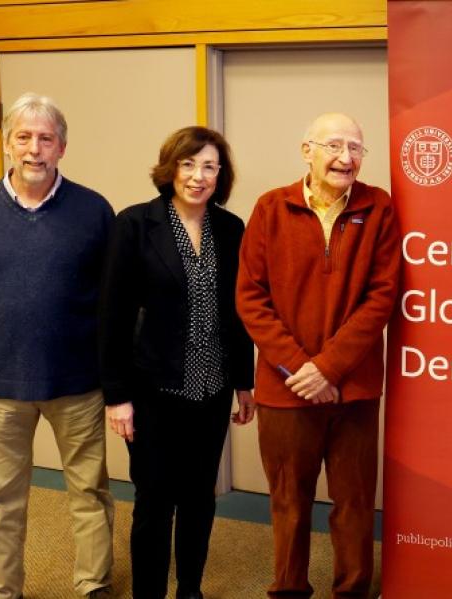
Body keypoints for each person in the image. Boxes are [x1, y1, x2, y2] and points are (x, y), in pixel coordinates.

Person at [0, 92, 115, 599]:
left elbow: (110, 292)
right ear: (7, 144)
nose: (34, 149)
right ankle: (0, 588)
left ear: (62, 147)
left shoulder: (94, 210)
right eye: (23, 137)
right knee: (0, 499)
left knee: (89, 492)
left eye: (46, 138)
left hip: (78, 382)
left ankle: (94, 583)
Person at [236, 112, 401, 598]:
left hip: (355, 390)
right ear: (306, 150)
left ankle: (352, 590)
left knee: (353, 502)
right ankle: (288, 589)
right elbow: (250, 296)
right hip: (285, 390)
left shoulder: (380, 208)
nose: (345, 158)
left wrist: (327, 368)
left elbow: (381, 298)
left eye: (355, 148)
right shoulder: (271, 208)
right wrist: (300, 368)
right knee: (288, 499)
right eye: (333, 146)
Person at [98, 126, 255, 599]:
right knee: (153, 501)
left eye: (209, 166)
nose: (198, 176)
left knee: (198, 499)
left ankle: (189, 588)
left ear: (220, 175)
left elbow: (240, 313)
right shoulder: (134, 225)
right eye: (189, 164)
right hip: (152, 391)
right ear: (170, 168)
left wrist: (244, 383)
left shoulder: (230, 229)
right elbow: (112, 315)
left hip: (211, 390)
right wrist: (118, 396)